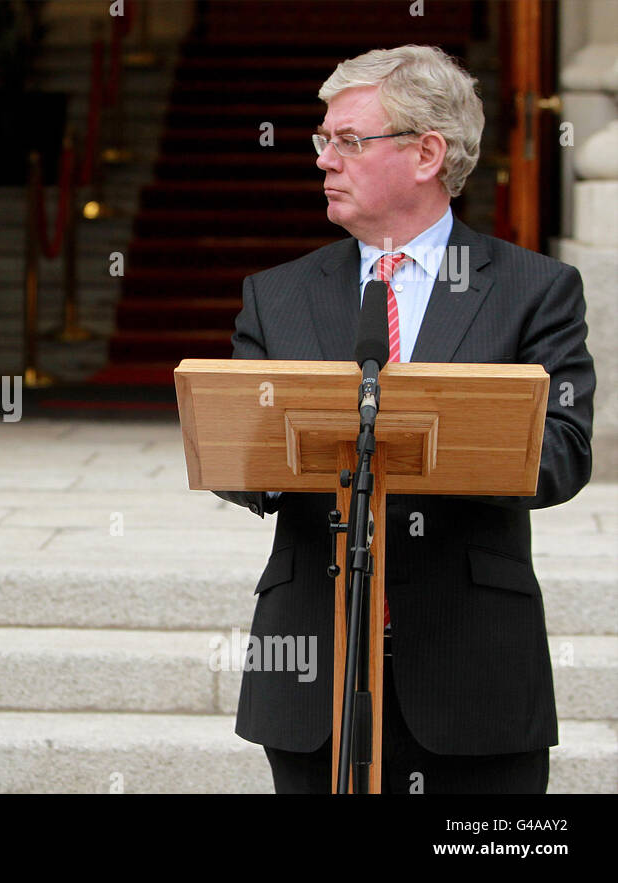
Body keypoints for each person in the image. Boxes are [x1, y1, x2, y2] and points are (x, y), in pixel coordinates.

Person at [215, 45, 595, 793]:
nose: (326, 160)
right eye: (322, 141)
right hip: (312, 663)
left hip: (472, 666)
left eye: (349, 141)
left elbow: (564, 450)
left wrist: (407, 438)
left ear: (427, 153)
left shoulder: (534, 290)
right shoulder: (277, 296)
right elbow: (238, 455)